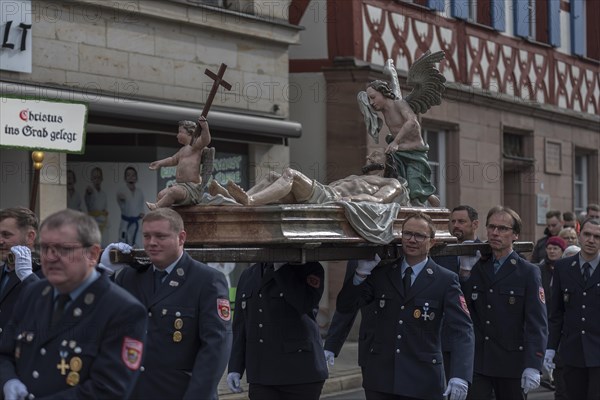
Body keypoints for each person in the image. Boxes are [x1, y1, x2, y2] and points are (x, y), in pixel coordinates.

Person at [0, 209, 147, 398]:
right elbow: (4, 353)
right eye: (45, 248)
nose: (51, 257)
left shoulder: (123, 310)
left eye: (64, 249)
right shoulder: (33, 293)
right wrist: (8, 381)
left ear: (93, 254)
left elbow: (108, 389)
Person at [336, 211, 474, 400]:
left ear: (432, 242)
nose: (412, 240)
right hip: (381, 380)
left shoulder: (446, 280)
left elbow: (462, 330)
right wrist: (360, 275)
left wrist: (460, 375)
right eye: (407, 234)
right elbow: (346, 306)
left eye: (419, 236)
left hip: (422, 381)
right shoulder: (382, 274)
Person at [105, 208, 232, 400]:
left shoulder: (206, 280)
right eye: (146, 236)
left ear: (181, 238)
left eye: (160, 236)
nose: (152, 243)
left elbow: (216, 346)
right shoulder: (130, 277)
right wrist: (102, 272)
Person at [459, 206, 547, 400]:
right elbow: (465, 311)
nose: (495, 233)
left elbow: (536, 322)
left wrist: (533, 364)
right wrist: (465, 273)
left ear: (515, 234)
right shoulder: (477, 267)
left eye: (503, 228)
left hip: (512, 363)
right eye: (491, 227)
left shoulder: (527, 272)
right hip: (479, 361)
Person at [227, 260, 328, 400]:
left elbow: (305, 303)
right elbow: (241, 325)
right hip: (261, 374)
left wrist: (281, 268)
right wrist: (235, 367)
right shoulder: (248, 275)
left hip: (300, 373)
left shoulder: (310, 267)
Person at [209, 150, 409, 206]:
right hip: (323, 193)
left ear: (387, 162)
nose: (368, 158)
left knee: (291, 174)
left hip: (329, 198)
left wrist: (351, 199)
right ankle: (234, 200)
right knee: (271, 176)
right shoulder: (356, 177)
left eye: (374, 156)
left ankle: (250, 200)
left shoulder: (391, 183)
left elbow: (379, 200)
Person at [545, 218, 600, 400]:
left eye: (597, 236)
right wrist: (551, 348)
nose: (591, 240)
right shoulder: (563, 267)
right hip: (572, 352)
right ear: (579, 236)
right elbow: (557, 313)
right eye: (587, 234)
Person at [364, 80, 440, 207]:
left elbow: (412, 122)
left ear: (383, 93)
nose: (371, 102)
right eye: (369, 99)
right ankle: (415, 200)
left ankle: (425, 198)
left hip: (415, 151)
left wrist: (395, 142)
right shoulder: (384, 111)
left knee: (414, 182)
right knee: (399, 181)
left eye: (373, 97)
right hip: (399, 152)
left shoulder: (399, 104)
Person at [432, 205, 481, 382]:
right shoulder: (441, 253)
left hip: (476, 335)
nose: (456, 225)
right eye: (452, 221)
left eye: (461, 221)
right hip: (444, 335)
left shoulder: (486, 252)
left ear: (475, 224)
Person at [146, 117, 211, 210]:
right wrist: (160, 163)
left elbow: (206, 140)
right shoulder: (182, 150)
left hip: (191, 189)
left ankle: (156, 206)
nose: (177, 135)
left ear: (190, 132)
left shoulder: (195, 146)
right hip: (180, 186)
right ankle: (165, 215)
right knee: (161, 195)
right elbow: (172, 160)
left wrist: (205, 127)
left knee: (173, 191)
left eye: (180, 132)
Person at [0, 207, 43, 334]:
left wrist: (27, 277)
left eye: (6, 235)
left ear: (30, 237)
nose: (0, 241)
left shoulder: (47, 274)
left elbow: (48, 310)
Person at [536, 236, 567, 397]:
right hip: (545, 315)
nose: (552, 251)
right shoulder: (540, 269)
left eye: (556, 248)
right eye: (549, 248)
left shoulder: (566, 269)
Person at [117, 166, 145, 246]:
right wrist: (121, 198)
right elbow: (120, 200)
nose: (131, 178)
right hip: (126, 223)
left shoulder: (139, 192)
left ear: (136, 178)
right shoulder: (121, 191)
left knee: (137, 244)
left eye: (133, 175)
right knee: (123, 244)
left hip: (137, 223)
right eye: (128, 175)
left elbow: (141, 206)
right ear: (125, 178)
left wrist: (142, 214)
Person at [85, 167, 109, 241]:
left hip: (103, 224)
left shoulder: (103, 194)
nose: (97, 180)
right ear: (91, 179)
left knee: (105, 245)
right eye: (95, 178)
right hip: (93, 223)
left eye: (99, 177)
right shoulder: (90, 191)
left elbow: (104, 208)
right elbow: (88, 194)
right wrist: (89, 192)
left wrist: (105, 212)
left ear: (102, 179)